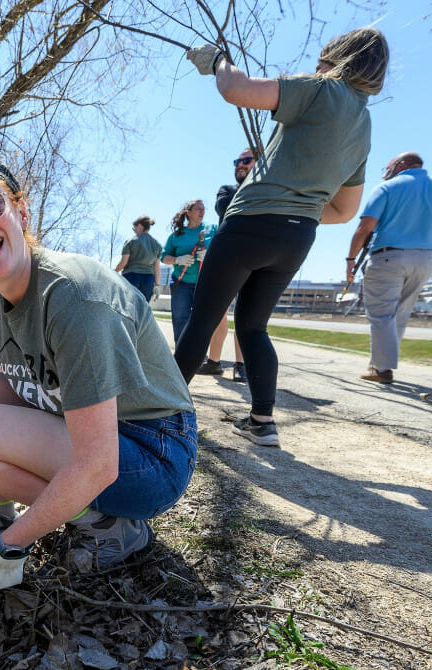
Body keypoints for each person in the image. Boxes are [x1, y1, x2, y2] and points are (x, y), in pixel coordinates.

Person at [0, 145, 197, 591]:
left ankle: (111, 529)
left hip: (152, 450)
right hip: (87, 430)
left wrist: (9, 546)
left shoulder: (72, 295)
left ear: (21, 211)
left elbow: (99, 463)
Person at [177, 28, 390, 447]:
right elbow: (345, 211)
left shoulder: (320, 89)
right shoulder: (363, 124)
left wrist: (217, 58)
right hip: (298, 237)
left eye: (322, 57)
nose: (315, 64)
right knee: (254, 327)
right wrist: (297, 212)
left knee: (203, 318)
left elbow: (235, 89)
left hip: (250, 222)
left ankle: (158, 415)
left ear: (335, 58)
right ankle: (262, 422)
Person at [345, 152, 432, 384]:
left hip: (389, 257)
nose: (386, 171)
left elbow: (365, 226)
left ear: (401, 165)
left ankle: (382, 369)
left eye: (388, 166)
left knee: (381, 314)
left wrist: (350, 258)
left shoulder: (387, 188)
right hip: (425, 259)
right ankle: (379, 364)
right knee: (400, 313)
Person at [197, 149, 255, 382]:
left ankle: (241, 365)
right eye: (237, 161)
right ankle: (214, 361)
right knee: (217, 313)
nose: (240, 164)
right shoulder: (227, 190)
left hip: (255, 257)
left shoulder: (271, 190)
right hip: (226, 257)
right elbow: (224, 207)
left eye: (246, 161)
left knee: (246, 314)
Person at [161, 200, 212, 342]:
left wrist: (210, 254)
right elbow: (164, 258)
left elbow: (224, 248)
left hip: (204, 283)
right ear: (188, 213)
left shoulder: (212, 229)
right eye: (198, 209)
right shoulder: (177, 235)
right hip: (181, 283)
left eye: (204, 209)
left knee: (202, 321)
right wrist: (178, 260)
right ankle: (181, 355)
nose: (202, 212)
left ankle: (197, 355)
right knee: (180, 320)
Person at [114, 215, 162, 302]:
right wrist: (157, 285)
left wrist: (114, 272)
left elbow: (123, 263)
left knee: (128, 306)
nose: (134, 231)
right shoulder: (157, 245)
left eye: (134, 228)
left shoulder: (131, 241)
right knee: (143, 309)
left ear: (139, 226)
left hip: (131, 277)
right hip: (148, 280)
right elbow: (157, 268)